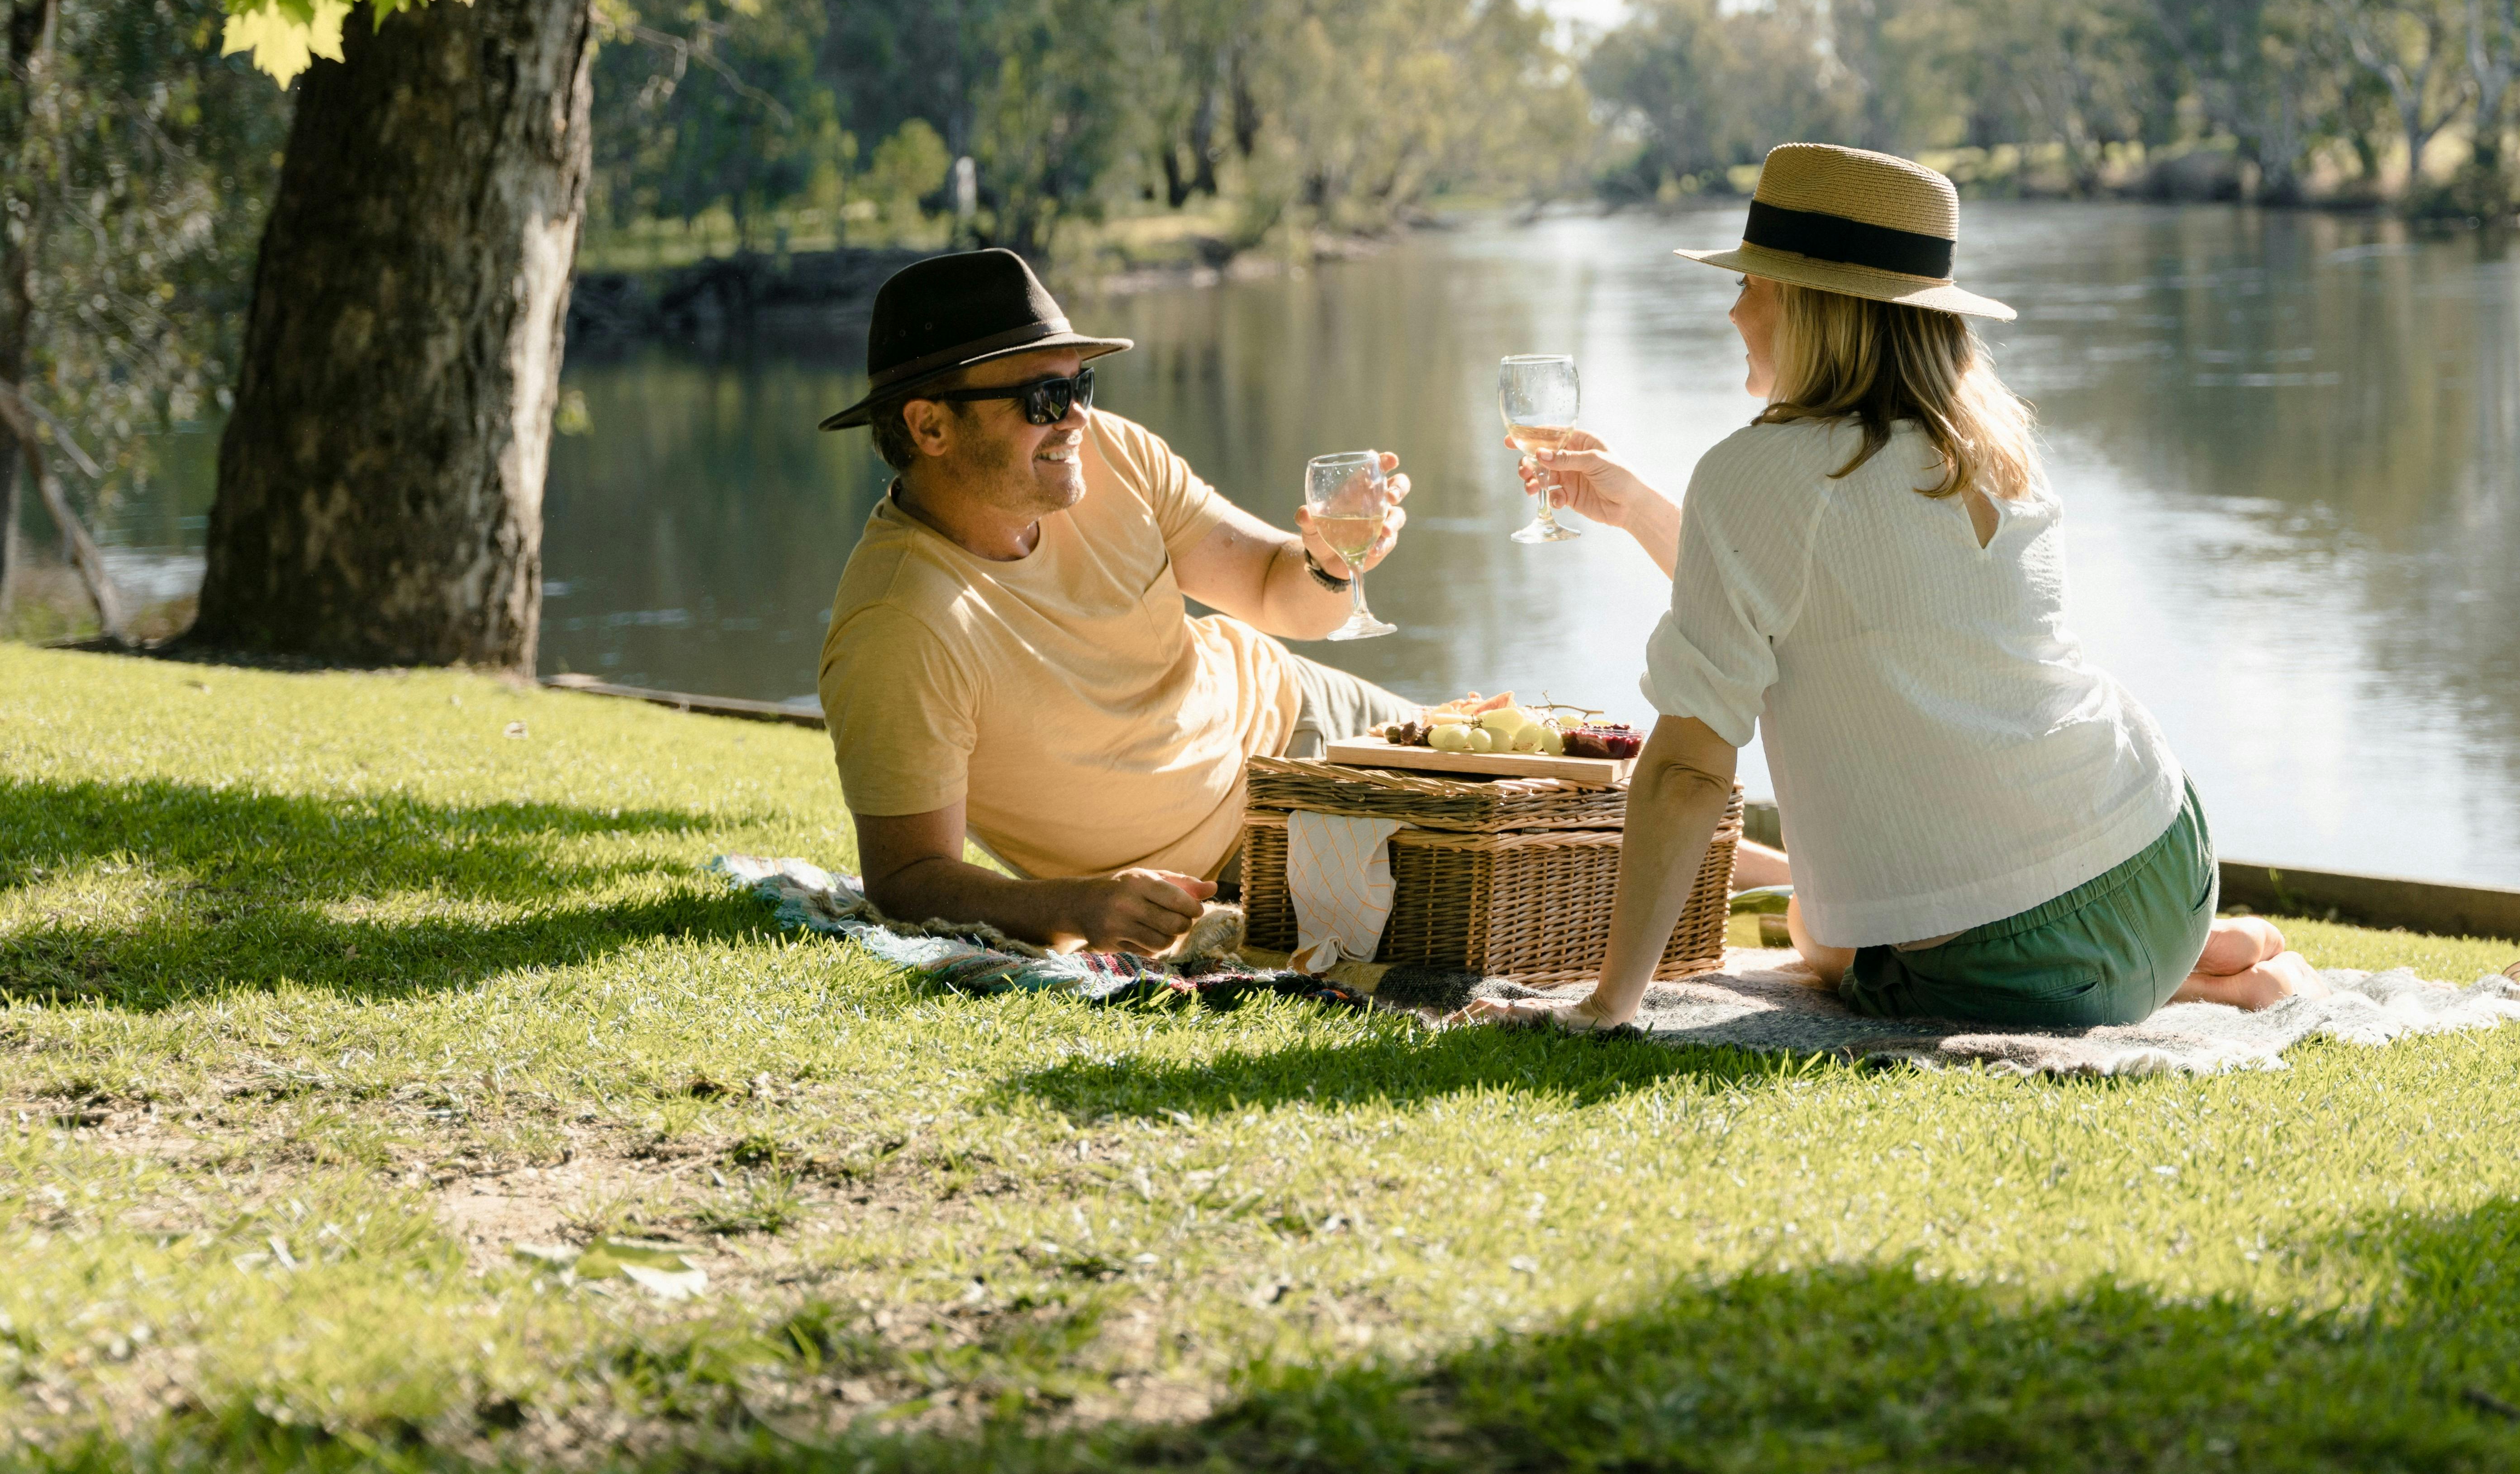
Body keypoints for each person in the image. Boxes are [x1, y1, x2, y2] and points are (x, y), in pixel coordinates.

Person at [1512, 142, 2313, 1031]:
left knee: (1818, 930)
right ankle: (2179, 960)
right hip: (2160, 844)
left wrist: (1606, 1005)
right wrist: (1638, 508)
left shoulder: (1758, 474)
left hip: (2015, 956)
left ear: (1812, 306)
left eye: (1752, 283)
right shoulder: (1997, 449)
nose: (1735, 308)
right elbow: (1821, 608)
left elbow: (1688, 770)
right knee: (1866, 911)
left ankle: (2171, 977)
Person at [813, 249, 1416, 956]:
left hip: (1300, 704)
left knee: (1542, 778)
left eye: (1081, 386)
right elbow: (908, 878)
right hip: (1239, 860)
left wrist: (1326, 562)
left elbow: (1273, 593)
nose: (1075, 418)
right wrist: (1081, 906)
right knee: (1516, 879)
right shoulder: (898, 626)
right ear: (930, 427)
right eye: (1042, 397)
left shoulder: (1113, 454)